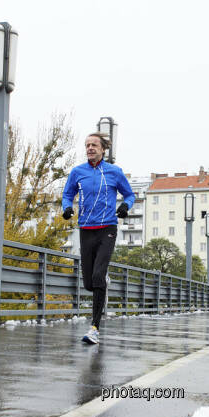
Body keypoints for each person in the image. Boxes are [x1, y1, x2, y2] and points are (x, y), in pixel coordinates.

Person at [62, 132, 135, 344]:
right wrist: (67, 208)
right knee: (88, 283)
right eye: (87, 145)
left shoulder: (113, 172)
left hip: (107, 229)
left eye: (94, 145)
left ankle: (94, 328)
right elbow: (67, 194)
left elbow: (130, 195)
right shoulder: (78, 172)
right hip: (85, 229)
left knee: (97, 276)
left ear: (103, 149)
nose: (90, 148)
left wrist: (125, 206)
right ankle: (101, 280)